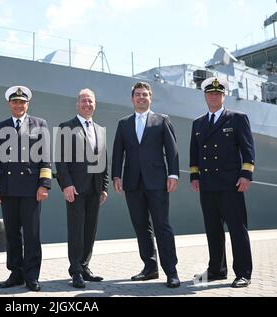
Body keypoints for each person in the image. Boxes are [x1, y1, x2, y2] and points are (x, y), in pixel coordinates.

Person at [111, 81, 180, 288]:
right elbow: (117, 152)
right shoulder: (123, 123)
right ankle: (150, 267)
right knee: (141, 226)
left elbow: (172, 150)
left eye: (145, 95)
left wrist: (173, 175)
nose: (142, 97)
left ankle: (171, 271)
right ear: (132, 99)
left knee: (162, 226)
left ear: (150, 98)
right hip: (132, 183)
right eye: (138, 94)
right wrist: (116, 176)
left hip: (157, 181)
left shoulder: (162, 120)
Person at [190, 77, 255, 288]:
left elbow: (247, 149)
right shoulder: (198, 123)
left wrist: (246, 175)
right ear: (205, 96)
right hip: (207, 185)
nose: (214, 96)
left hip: (231, 184)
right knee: (213, 230)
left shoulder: (237, 118)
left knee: (237, 229)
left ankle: (243, 272)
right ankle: (217, 270)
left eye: (218, 93)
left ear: (223, 96)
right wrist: (194, 176)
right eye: (211, 93)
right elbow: (195, 153)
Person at [0, 85, 51, 292]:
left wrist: (44, 185)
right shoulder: (0, 127)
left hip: (32, 189)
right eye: (15, 102)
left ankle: (32, 276)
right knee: (12, 234)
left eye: (22, 102)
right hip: (7, 189)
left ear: (27, 104)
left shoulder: (40, 124)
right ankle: (16, 273)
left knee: (32, 235)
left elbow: (45, 159)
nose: (18, 105)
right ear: (9, 104)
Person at [55, 88, 108, 289]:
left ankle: (85, 266)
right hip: (75, 188)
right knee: (76, 230)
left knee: (90, 229)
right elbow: (61, 160)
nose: (87, 104)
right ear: (77, 104)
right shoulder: (66, 127)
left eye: (91, 101)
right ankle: (75, 270)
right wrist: (66, 184)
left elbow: (103, 160)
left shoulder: (99, 129)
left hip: (95, 189)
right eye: (84, 101)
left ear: (95, 104)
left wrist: (104, 187)